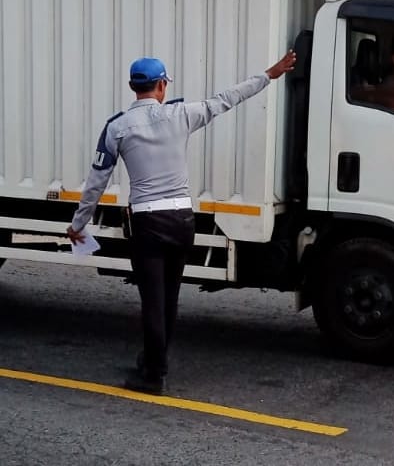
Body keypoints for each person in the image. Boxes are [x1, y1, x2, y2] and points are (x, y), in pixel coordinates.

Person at [66, 50, 296, 394]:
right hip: (182, 220)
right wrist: (270, 74)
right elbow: (228, 98)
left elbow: (97, 180)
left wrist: (79, 223)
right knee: (170, 297)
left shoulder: (116, 127)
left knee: (152, 299)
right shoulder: (182, 114)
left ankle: (153, 374)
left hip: (147, 223)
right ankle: (155, 360)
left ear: (133, 87)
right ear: (161, 86)